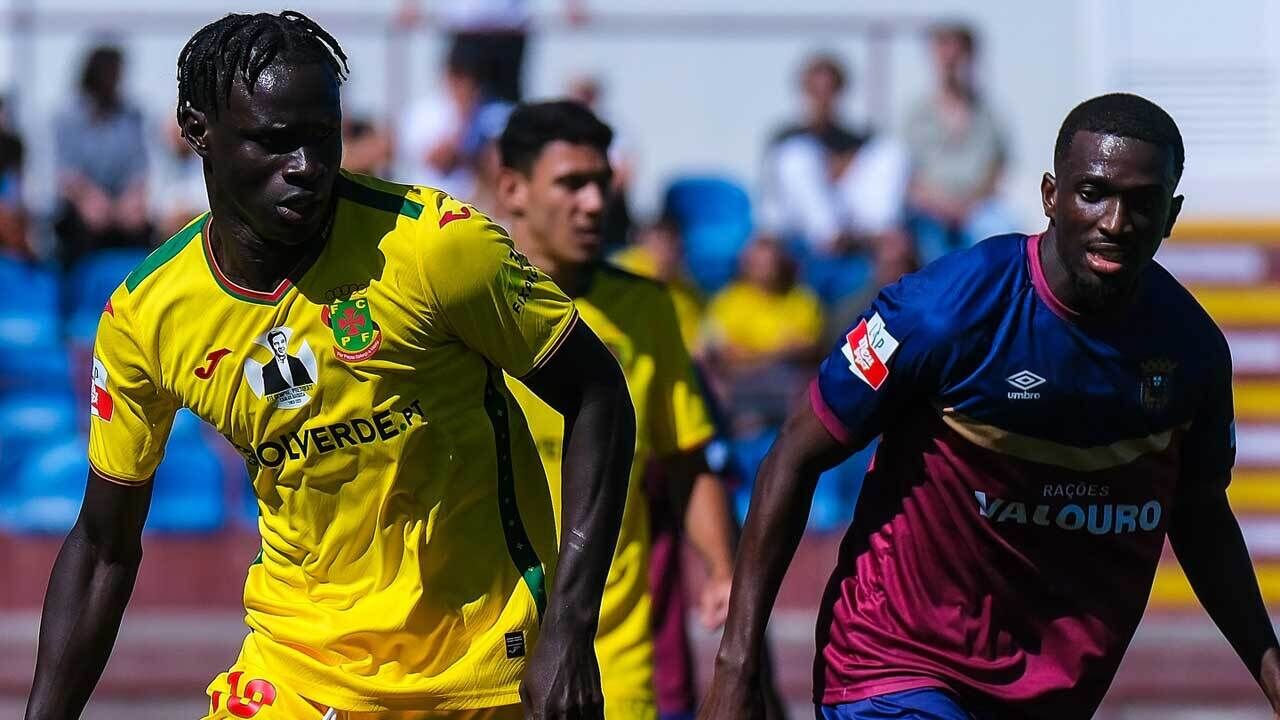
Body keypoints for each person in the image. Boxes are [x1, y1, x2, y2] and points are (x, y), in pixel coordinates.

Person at [25, 11, 635, 720]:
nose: (306, 166)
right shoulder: (146, 315)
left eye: (322, 136)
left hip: (476, 674)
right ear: (197, 130)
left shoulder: (438, 249)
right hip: (294, 673)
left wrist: (570, 630)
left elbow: (598, 394)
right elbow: (104, 545)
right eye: (273, 140)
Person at [700, 93, 1280, 720]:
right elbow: (794, 454)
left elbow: (1198, 513)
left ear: (1172, 215)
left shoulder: (1190, 351)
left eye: (1143, 203)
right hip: (894, 664)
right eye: (1093, 193)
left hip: (1050, 690)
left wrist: (1270, 669)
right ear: (1050, 195)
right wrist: (737, 667)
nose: (1116, 222)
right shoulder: (943, 310)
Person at [496, 101, 737, 720]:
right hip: (482, 658)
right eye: (571, 183)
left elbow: (686, 459)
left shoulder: (648, 310)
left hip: (610, 665)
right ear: (513, 189)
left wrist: (721, 569)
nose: (594, 203)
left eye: (602, 183)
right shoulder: (463, 305)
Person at [758, 53, 912, 305]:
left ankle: (877, 235)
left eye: (829, 90)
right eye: (816, 91)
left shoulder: (855, 137)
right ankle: (830, 235)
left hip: (849, 219)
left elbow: (858, 179)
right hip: (799, 224)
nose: (823, 99)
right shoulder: (786, 137)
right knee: (796, 158)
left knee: (891, 152)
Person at [904, 24, 1017, 262]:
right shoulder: (916, 114)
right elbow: (906, 176)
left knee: (1005, 242)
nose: (951, 65)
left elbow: (997, 169)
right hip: (929, 213)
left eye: (957, 57)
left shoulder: (988, 114)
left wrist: (969, 205)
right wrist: (942, 206)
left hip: (978, 211)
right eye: (945, 57)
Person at [53, 43, 153, 268]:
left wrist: (131, 200)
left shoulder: (132, 115)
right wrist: (90, 200)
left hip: (122, 203)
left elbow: (140, 167)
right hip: (81, 206)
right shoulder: (67, 116)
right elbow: (65, 172)